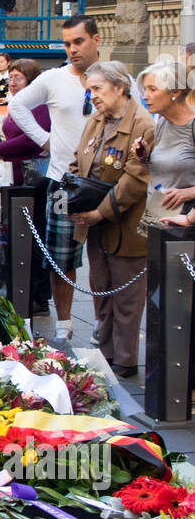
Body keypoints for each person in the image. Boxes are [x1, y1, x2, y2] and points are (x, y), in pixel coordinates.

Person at [7, 16, 101, 342]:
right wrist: (43, 139)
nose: (73, 49)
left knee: (105, 259)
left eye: (79, 41)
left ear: (96, 40)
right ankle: (64, 323)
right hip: (62, 182)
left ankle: (104, 325)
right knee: (61, 254)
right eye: (67, 43)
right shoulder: (53, 78)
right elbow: (17, 105)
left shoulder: (114, 77)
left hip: (105, 183)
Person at [68, 61, 153, 378]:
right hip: (94, 224)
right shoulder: (96, 121)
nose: (93, 97)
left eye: (98, 89)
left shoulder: (143, 125)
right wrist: (71, 197)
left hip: (126, 226)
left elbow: (134, 180)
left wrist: (98, 212)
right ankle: (105, 353)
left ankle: (126, 359)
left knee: (127, 297)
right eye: (90, 90)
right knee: (101, 287)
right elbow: (79, 160)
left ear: (120, 87)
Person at [0, 57, 52, 315]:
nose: (12, 82)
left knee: (35, 236)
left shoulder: (40, 106)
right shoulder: (19, 102)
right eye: (10, 77)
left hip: (35, 176)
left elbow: (32, 140)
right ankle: (18, 288)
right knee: (19, 235)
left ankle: (38, 295)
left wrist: (0, 149)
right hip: (17, 175)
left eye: (18, 78)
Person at [134, 60, 195, 222]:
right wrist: (144, 157)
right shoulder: (161, 121)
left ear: (175, 92)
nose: (145, 96)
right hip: (158, 217)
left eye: (153, 89)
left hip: (185, 223)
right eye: (145, 89)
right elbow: (165, 169)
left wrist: (189, 192)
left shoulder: (192, 126)